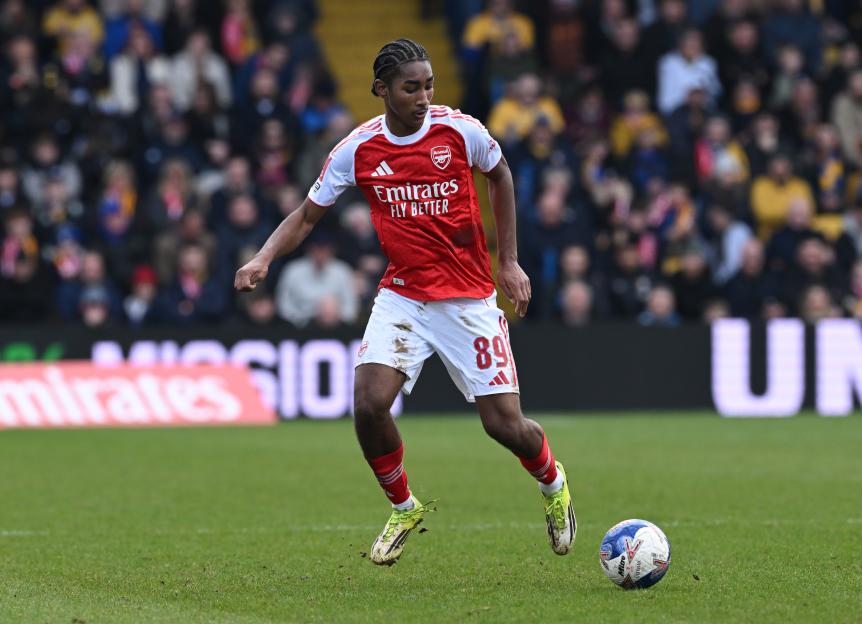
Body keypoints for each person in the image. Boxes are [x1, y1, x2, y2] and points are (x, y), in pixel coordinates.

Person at [234, 39, 576, 565]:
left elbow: (501, 174)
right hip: (404, 295)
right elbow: (305, 216)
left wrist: (507, 261)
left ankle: (554, 485)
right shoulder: (357, 149)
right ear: (382, 90)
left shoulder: (460, 131)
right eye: (410, 87)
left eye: (429, 85)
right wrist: (263, 258)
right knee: (369, 404)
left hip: (468, 297)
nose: (423, 96)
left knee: (504, 425)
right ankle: (404, 505)